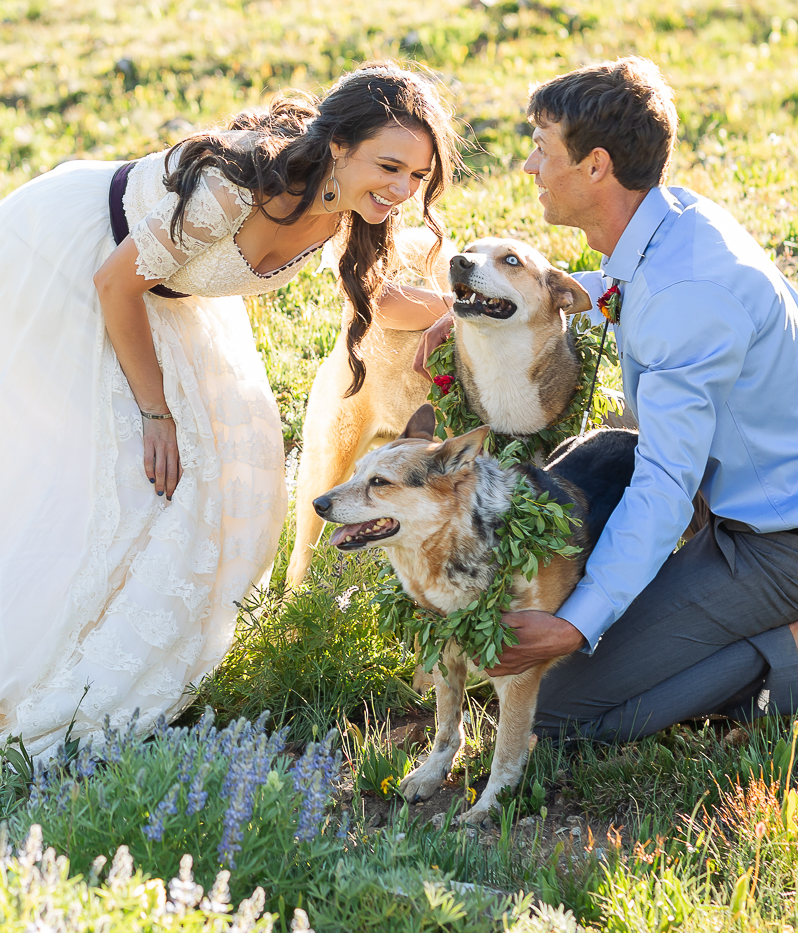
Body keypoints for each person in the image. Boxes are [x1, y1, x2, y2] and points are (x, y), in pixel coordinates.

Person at [0, 61, 456, 758]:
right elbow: (115, 283)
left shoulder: (352, 207)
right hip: (74, 261)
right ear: (338, 146)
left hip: (170, 295)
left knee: (228, 472)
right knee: (114, 462)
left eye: (416, 178)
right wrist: (156, 414)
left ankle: (127, 658)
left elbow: (380, 295)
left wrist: (469, 312)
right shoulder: (238, 184)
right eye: (389, 166)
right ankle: (47, 664)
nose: (401, 189)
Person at [418, 55, 798, 740]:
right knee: (516, 676)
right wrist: (490, 304)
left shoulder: (689, 296)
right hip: (752, 504)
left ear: (594, 166)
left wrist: (572, 624)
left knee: (553, 716)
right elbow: (624, 289)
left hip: (791, 542)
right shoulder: (672, 222)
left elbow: (663, 486)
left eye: (540, 149)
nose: (530, 168)